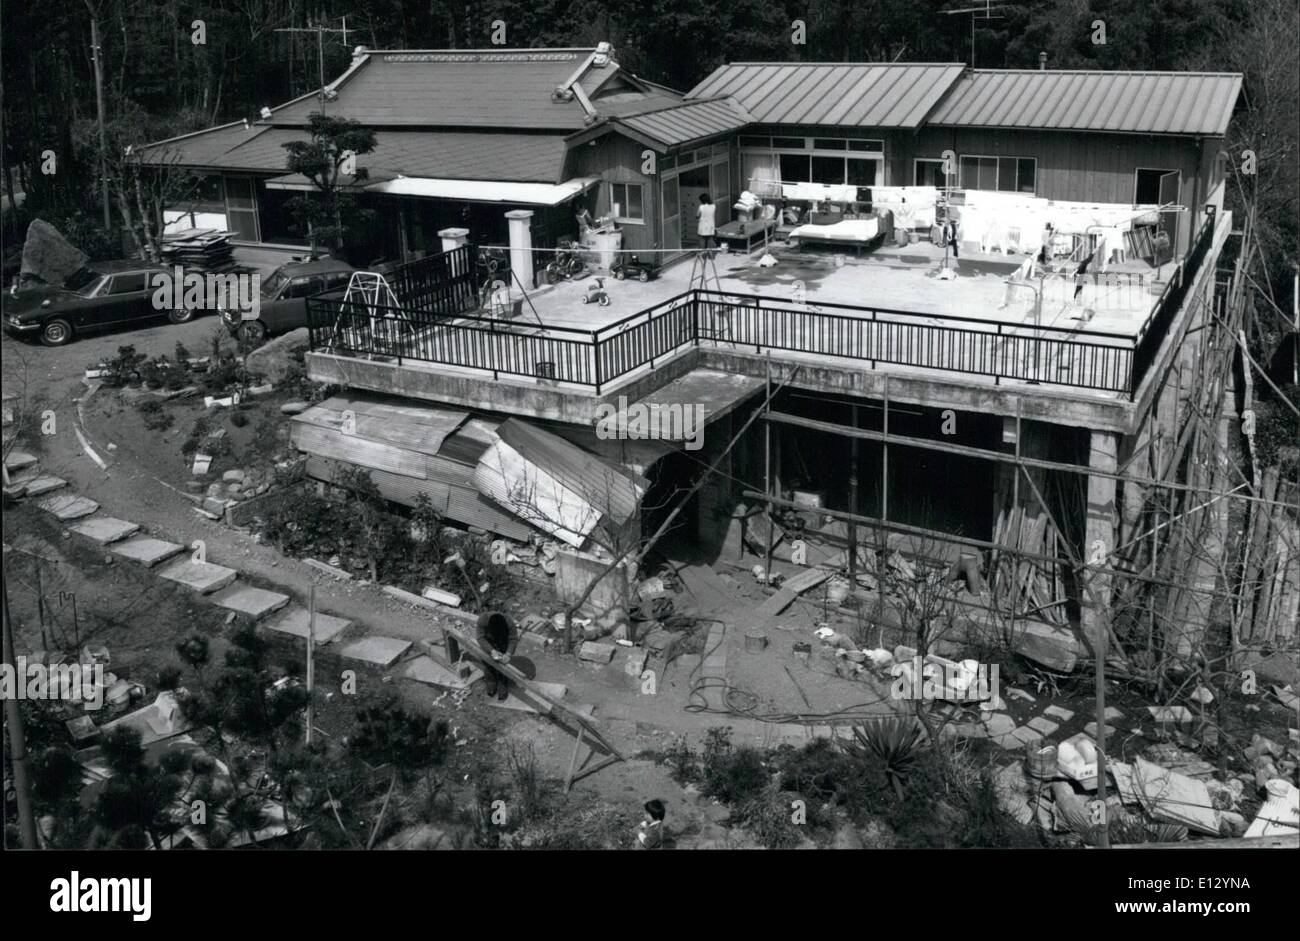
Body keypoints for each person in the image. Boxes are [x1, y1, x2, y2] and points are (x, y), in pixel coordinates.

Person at [476, 611, 518, 701]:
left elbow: (513, 638)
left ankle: (502, 689)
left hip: (503, 643)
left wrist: (508, 654)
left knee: (502, 668)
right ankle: (491, 686)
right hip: (489, 643)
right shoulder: (483, 620)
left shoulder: (509, 622)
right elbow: (480, 638)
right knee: (488, 666)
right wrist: (491, 650)